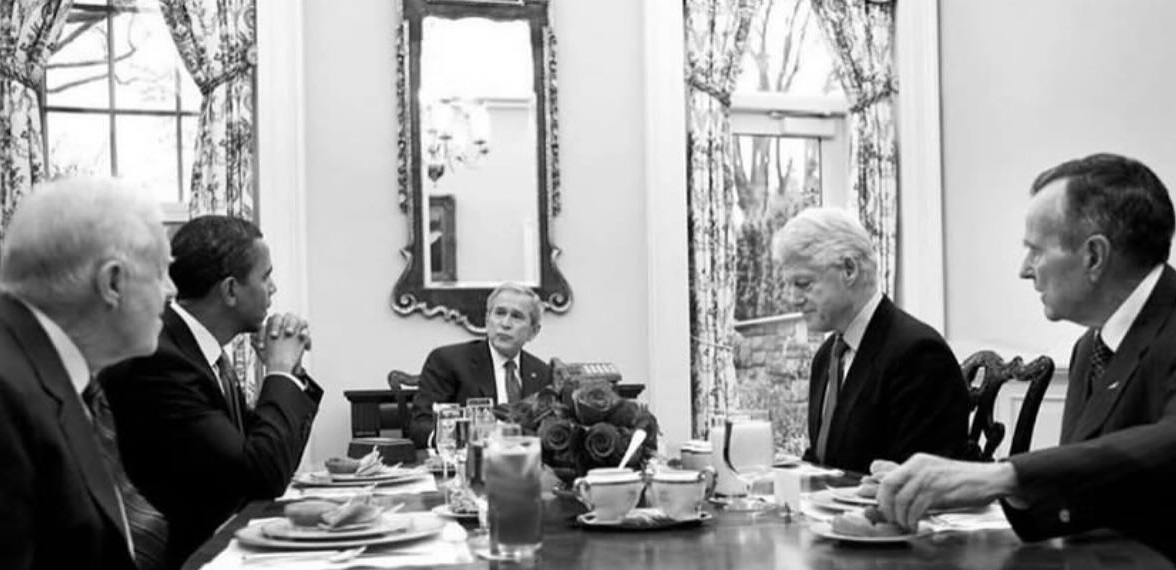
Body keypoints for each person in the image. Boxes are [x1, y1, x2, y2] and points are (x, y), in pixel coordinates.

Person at [875, 153, 1176, 562]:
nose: (1024, 269)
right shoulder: (1090, 347)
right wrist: (960, 494)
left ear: (1093, 256)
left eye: (1036, 251)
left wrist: (1001, 477)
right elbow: (1085, 490)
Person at [98, 215, 322, 567]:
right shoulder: (160, 358)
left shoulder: (197, 350)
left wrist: (289, 373)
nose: (274, 288)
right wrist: (279, 372)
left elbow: (266, 457)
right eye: (265, 276)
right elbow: (261, 476)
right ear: (231, 290)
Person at [0, 178, 174, 570]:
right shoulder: (8, 393)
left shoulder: (47, 369)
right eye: (162, 271)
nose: (170, 290)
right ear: (112, 282)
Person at [772, 207, 970, 474]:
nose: (793, 299)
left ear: (849, 270)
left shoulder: (919, 355)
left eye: (804, 283)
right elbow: (826, 462)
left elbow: (920, 482)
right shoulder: (826, 357)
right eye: (790, 285)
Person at [409, 282, 552, 447]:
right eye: (500, 313)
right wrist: (468, 437)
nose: (505, 324)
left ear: (533, 332)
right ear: (487, 320)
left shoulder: (542, 373)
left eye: (517, 316)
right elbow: (420, 426)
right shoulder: (448, 361)